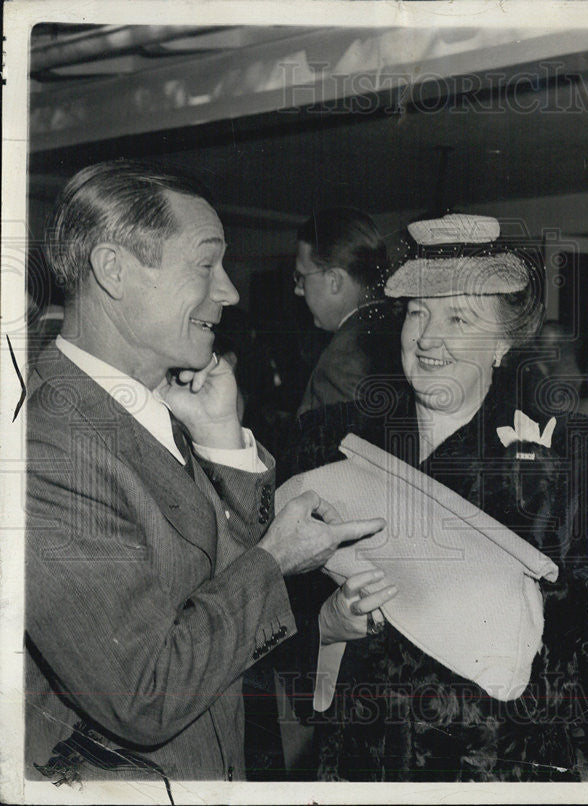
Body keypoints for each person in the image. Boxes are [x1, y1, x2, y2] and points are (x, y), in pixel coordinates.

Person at [24, 160, 385, 788]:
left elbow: (204, 587)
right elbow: (146, 693)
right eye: (205, 263)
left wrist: (221, 443)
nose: (230, 291)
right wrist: (275, 559)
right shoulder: (46, 446)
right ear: (114, 271)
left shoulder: (136, 401)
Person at [282, 213, 588, 781]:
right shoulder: (327, 441)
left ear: (503, 341)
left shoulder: (576, 452)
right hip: (363, 765)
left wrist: (513, 661)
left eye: (458, 317)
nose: (428, 338)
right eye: (417, 313)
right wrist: (325, 624)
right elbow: (271, 596)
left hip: (497, 766)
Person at [294, 206, 402, 416]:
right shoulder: (398, 328)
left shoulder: (341, 363)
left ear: (334, 281)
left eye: (301, 277)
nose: (297, 290)